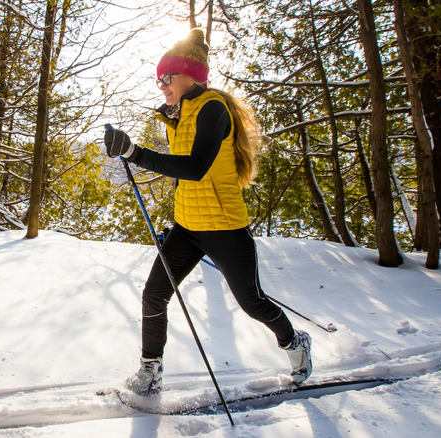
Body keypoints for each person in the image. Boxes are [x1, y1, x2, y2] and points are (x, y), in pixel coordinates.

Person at [103, 28, 312, 396]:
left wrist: (135, 153)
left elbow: (196, 167)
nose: (162, 85)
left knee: (252, 303)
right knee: (154, 293)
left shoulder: (213, 108)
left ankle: (294, 342)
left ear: (190, 75)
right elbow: (185, 177)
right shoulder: (179, 114)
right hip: (187, 226)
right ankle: (150, 372)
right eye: (158, 80)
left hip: (225, 228)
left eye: (167, 77)